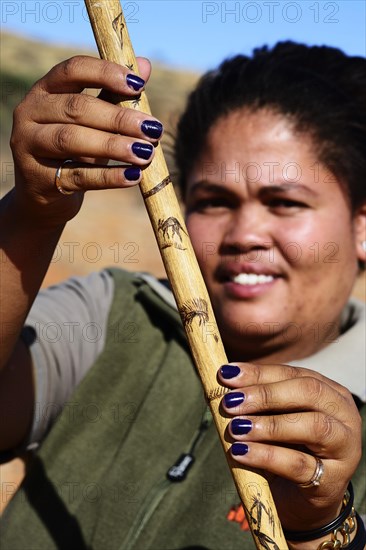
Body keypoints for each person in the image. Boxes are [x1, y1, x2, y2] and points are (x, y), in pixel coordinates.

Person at [0, 41, 365, 549]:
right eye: (213, 200)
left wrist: (320, 527)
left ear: (361, 226)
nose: (244, 234)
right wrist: (29, 215)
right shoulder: (120, 312)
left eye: (284, 202)